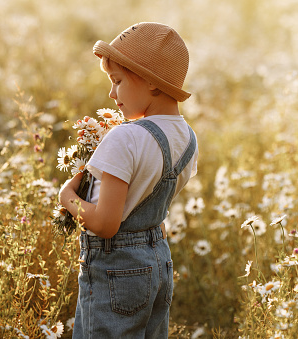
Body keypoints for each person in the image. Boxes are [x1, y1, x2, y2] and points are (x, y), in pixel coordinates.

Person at [59, 22, 199, 338]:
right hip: (159, 262)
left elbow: (106, 223)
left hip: (116, 269)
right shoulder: (187, 137)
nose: (112, 93)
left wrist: (67, 196)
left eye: (118, 81)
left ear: (150, 82)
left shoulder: (126, 138)